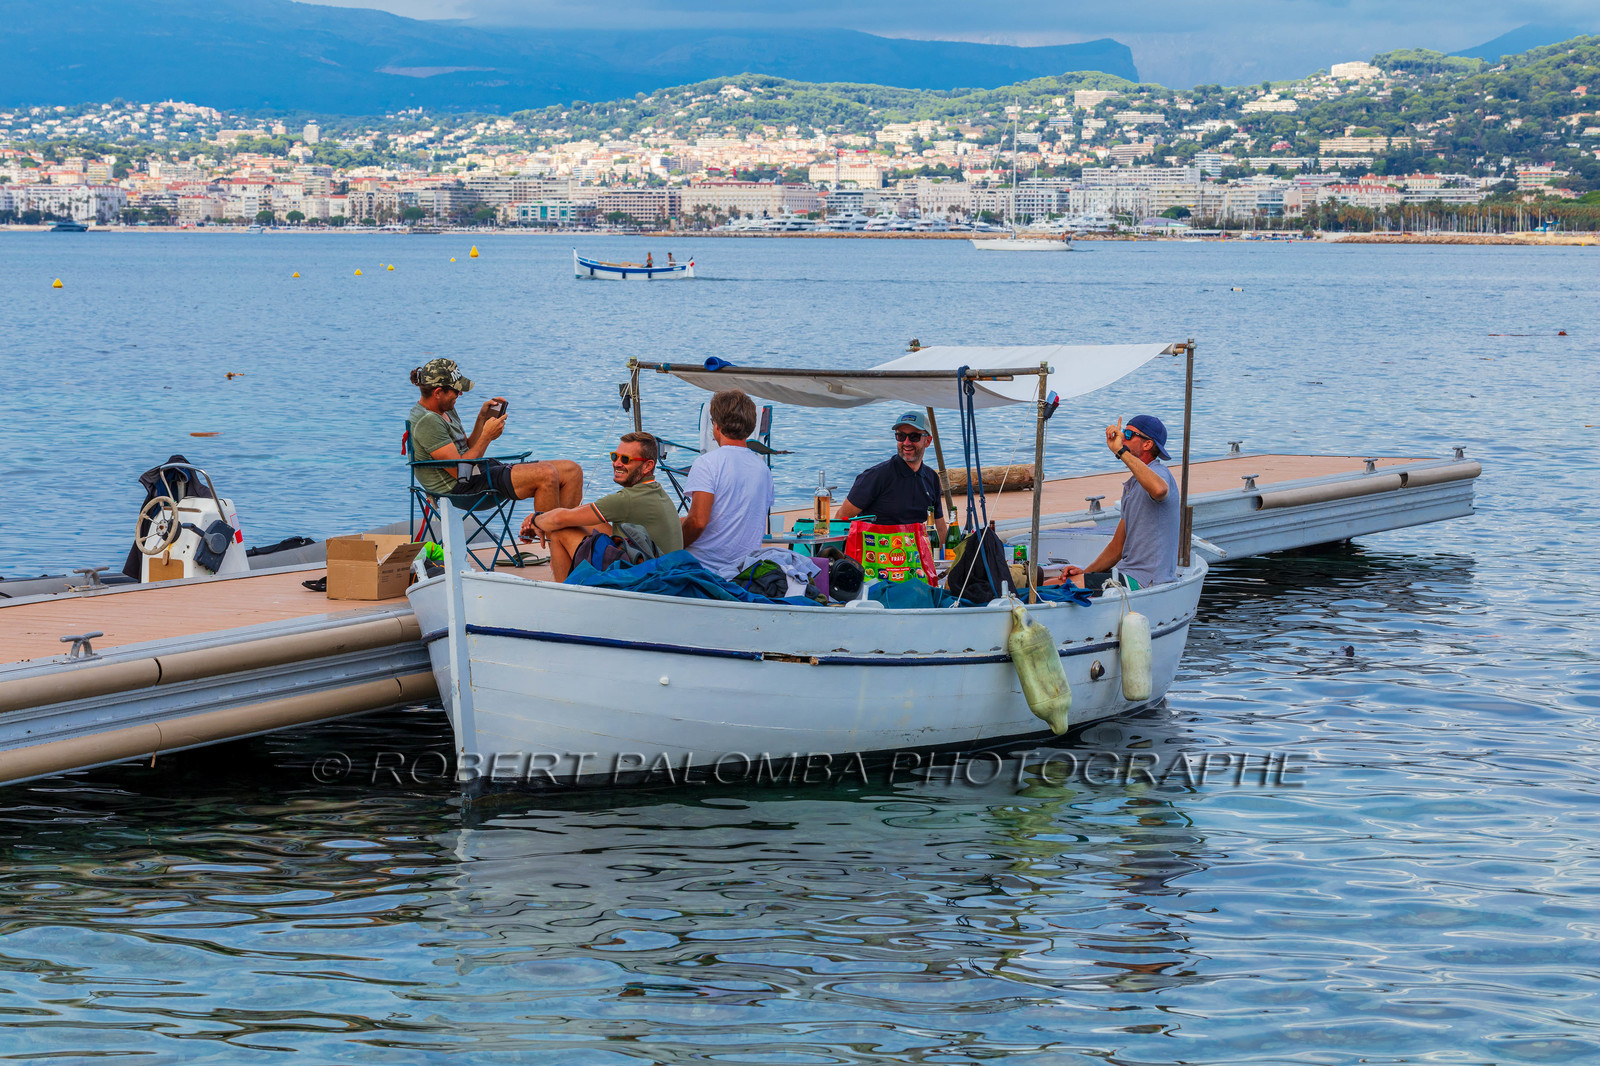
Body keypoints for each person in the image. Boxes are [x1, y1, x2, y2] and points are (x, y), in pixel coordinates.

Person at [407, 358, 582, 518]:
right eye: (456, 390)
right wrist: (487, 437)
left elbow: (466, 450)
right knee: (547, 474)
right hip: (461, 488)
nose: (460, 394)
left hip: (480, 471)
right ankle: (556, 545)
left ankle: (567, 542)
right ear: (438, 392)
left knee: (571, 471)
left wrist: (481, 419)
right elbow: (461, 473)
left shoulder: (445, 408)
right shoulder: (427, 421)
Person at [524, 432, 683, 580]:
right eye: (615, 457)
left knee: (560, 532)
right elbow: (574, 515)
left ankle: (565, 597)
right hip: (663, 572)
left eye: (625, 459)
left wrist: (535, 520)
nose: (617, 464)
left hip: (645, 580)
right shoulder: (655, 491)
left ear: (648, 466)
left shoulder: (626, 500)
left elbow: (559, 519)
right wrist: (545, 519)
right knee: (587, 520)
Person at [1053, 414, 1180, 590]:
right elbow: (1117, 547)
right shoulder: (1133, 484)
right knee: (1054, 583)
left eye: (1127, 435)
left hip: (1147, 580)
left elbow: (1160, 489)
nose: (1121, 438)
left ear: (1147, 444)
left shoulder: (1159, 472)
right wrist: (1085, 573)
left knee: (1054, 588)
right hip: (1126, 572)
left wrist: (1121, 451)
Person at [681, 389, 775, 578]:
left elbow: (698, 522)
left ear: (716, 426)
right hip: (744, 570)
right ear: (751, 426)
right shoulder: (762, 469)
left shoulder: (707, 463)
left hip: (703, 569)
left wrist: (672, 545)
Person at [834, 410, 948, 542]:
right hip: (877, 555)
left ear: (927, 441)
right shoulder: (875, 476)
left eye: (914, 437)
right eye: (900, 436)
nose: (906, 442)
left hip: (916, 555)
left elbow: (940, 528)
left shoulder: (932, 478)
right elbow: (840, 519)